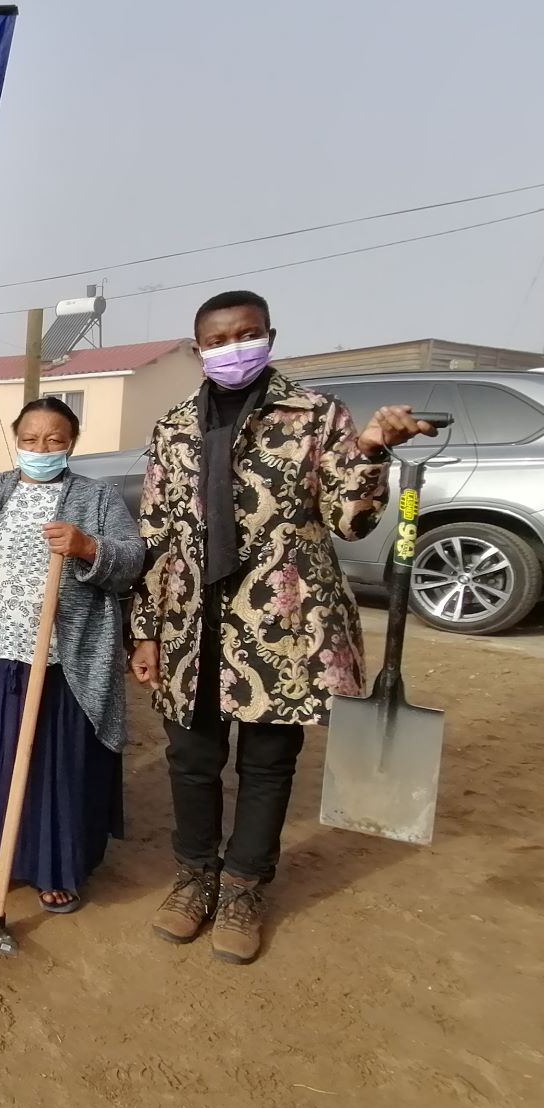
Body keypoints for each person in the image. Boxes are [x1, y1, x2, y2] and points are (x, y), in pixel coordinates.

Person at [129, 289, 436, 965]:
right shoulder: (174, 426)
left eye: (246, 333)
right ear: (197, 347)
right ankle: (194, 876)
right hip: (190, 618)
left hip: (282, 617)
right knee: (192, 755)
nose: (232, 346)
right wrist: (145, 630)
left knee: (268, 760)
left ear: (269, 335)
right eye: (218, 338)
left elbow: (349, 520)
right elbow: (155, 532)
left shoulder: (317, 415)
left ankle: (244, 884)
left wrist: (374, 448)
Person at [0, 397, 143, 912]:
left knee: (47, 764)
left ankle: (52, 866)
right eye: (31, 439)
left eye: (55, 440)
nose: (41, 449)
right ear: (17, 441)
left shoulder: (96, 498)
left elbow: (131, 560)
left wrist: (89, 547)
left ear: (71, 444)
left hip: (57, 655)